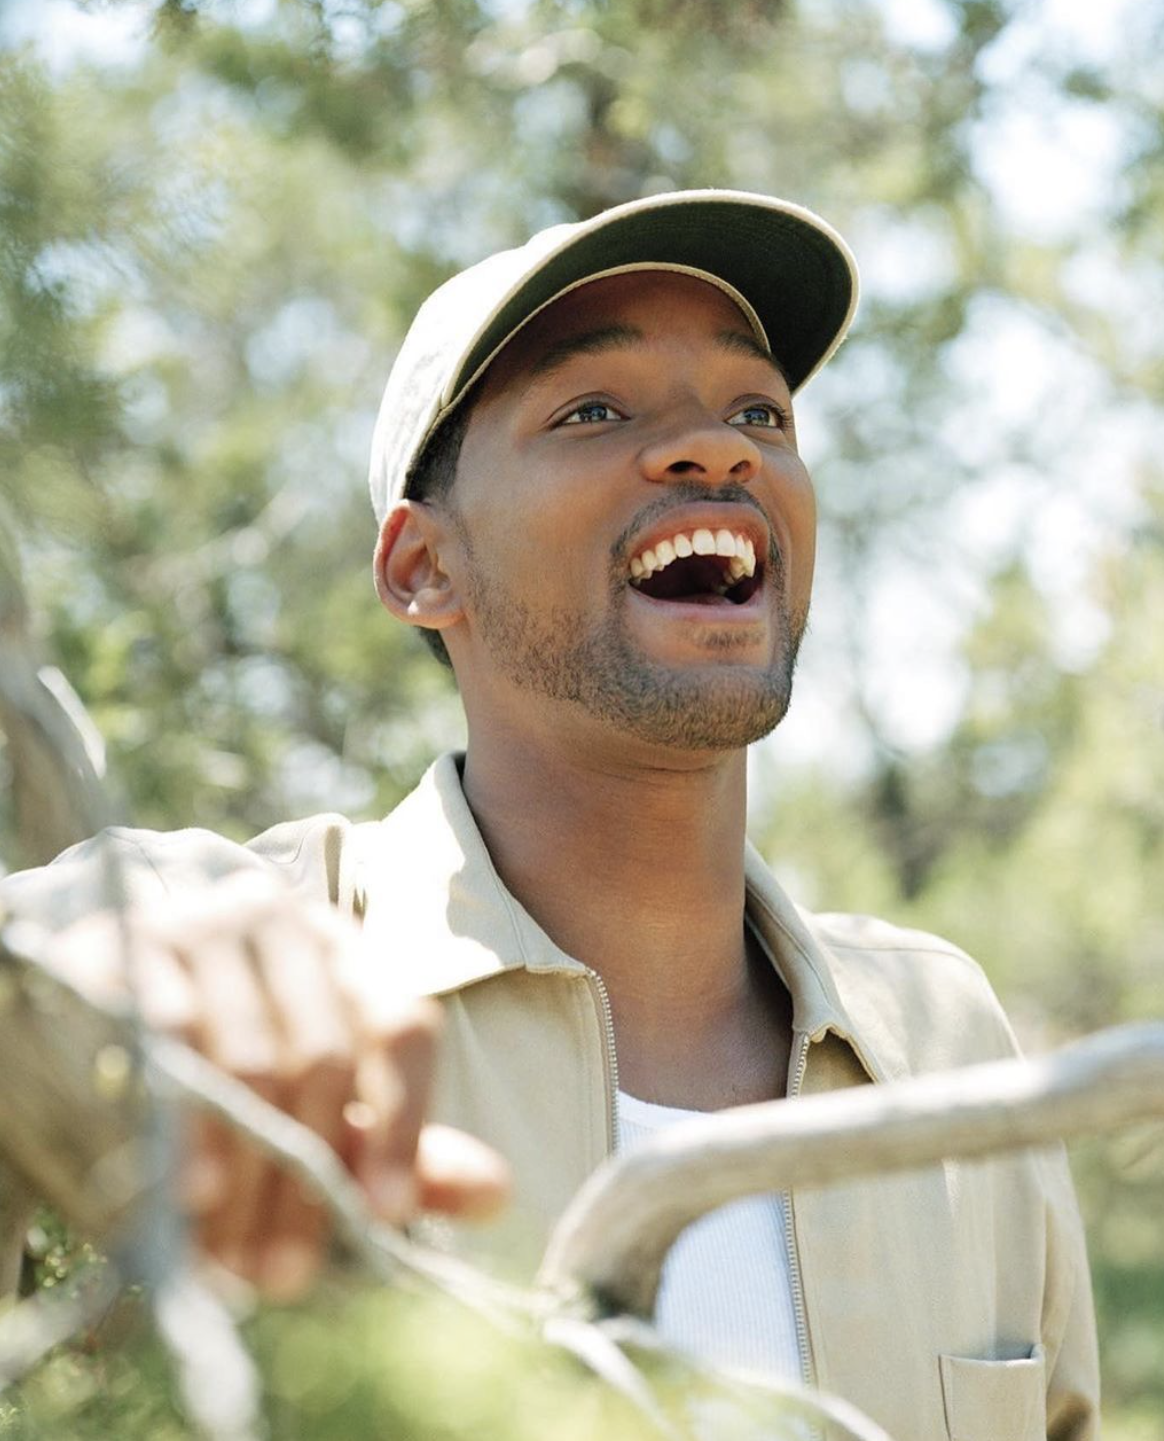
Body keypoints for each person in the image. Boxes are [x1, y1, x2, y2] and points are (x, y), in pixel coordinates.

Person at [1, 190, 1098, 1439]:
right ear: (424, 566)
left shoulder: (946, 1030)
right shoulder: (274, 964)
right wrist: (70, 958)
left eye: (759, 412)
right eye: (594, 409)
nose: (720, 451)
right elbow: (90, 933)